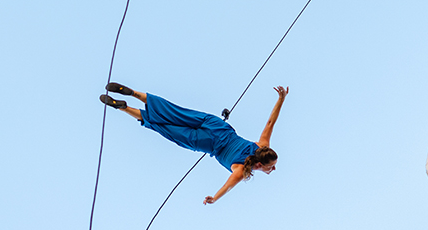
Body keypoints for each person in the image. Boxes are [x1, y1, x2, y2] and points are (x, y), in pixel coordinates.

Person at [99, 82, 289, 204]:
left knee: (174, 112)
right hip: (206, 142)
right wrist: (214, 198)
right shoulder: (240, 171)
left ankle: (133, 93)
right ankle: (125, 108)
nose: (272, 170)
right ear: (259, 164)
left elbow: (270, 123)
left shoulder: (262, 146)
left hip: (216, 125)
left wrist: (281, 99)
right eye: (271, 167)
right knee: (168, 128)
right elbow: (227, 187)